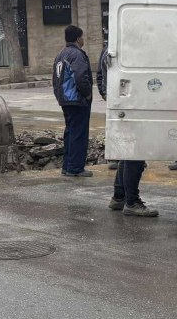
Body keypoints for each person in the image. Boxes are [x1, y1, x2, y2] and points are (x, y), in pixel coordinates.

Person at [97, 46, 158, 217]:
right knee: (135, 154)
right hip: (130, 105)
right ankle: (132, 202)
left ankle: (119, 197)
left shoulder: (111, 50)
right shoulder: (126, 50)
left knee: (127, 153)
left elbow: (101, 77)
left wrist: (108, 97)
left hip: (120, 104)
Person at [53, 25, 93, 177]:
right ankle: (76, 168)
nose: (83, 40)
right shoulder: (76, 54)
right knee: (78, 134)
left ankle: (67, 166)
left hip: (65, 100)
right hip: (76, 100)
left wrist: (59, 96)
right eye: (82, 37)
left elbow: (55, 79)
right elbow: (81, 77)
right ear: (78, 38)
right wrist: (87, 94)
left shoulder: (61, 54)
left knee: (70, 132)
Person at [96, 45, 118, 171]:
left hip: (131, 96)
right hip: (113, 95)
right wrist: (103, 92)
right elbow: (100, 74)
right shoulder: (106, 51)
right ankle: (115, 157)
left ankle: (135, 159)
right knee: (114, 126)